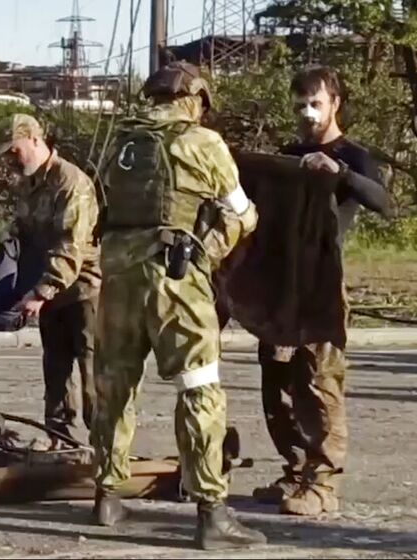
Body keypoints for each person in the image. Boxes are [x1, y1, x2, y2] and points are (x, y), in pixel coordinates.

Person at [92, 61, 266, 550]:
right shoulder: (202, 142)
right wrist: (210, 249)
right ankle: (212, 513)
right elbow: (242, 212)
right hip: (174, 278)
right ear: (196, 100)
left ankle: (107, 495)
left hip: (118, 276)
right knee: (198, 387)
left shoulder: (121, 143)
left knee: (115, 384)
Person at [252, 66, 391, 516]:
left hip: (322, 287)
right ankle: (296, 471)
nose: (307, 113)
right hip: (280, 285)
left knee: (319, 383)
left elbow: (384, 203)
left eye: (315, 103)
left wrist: (341, 173)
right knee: (277, 383)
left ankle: (323, 482)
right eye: (300, 105)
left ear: (335, 103)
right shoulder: (289, 156)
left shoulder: (353, 155)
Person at [0, 113, 100, 447]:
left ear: (35, 140)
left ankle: (106, 445)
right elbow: (25, 229)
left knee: (93, 371)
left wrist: (42, 291)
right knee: (56, 370)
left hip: (83, 290)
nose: (11, 159)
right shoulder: (28, 184)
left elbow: (70, 245)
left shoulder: (70, 182)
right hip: (49, 292)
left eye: (15, 150)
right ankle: (61, 439)